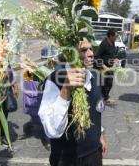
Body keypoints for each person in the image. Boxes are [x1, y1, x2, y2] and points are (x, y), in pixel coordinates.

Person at [38, 38, 107, 166]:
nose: (91, 54)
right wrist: (66, 89)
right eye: (83, 50)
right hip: (67, 158)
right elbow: (51, 130)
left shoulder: (95, 76)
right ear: (70, 53)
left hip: (93, 154)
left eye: (91, 49)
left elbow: (95, 110)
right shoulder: (55, 80)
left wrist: (100, 135)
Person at [96, 28, 119, 105]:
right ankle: (104, 98)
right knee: (107, 83)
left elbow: (111, 53)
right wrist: (103, 66)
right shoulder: (104, 44)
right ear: (110, 36)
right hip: (104, 67)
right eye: (115, 36)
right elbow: (97, 56)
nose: (116, 38)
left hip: (110, 67)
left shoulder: (112, 43)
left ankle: (104, 96)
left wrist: (115, 59)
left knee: (109, 83)